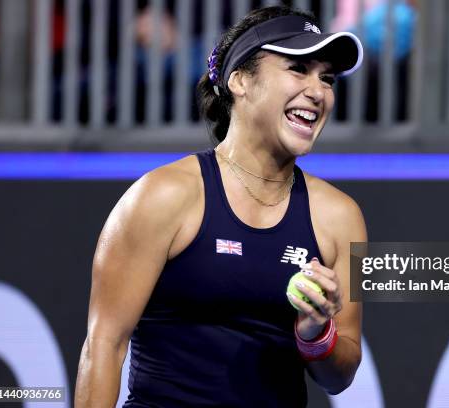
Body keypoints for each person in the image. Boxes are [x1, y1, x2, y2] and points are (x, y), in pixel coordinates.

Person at [74, 5, 366, 407]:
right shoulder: (164, 195)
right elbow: (104, 346)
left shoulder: (340, 217)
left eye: (327, 78)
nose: (318, 92)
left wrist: (316, 332)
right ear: (240, 81)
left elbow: (340, 375)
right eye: (298, 69)